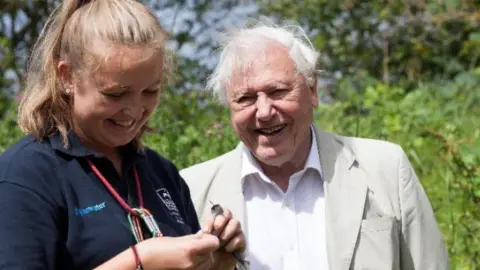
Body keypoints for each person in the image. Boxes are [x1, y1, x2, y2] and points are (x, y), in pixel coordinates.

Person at [180, 21, 449, 269]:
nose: (263, 111)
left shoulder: (385, 168)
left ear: (313, 90)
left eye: (278, 91)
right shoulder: (190, 191)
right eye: (245, 98)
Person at [0, 0, 245, 269]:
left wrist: (216, 261)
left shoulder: (160, 173)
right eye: (115, 94)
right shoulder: (26, 176)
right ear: (67, 77)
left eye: (150, 91)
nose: (134, 110)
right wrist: (140, 260)